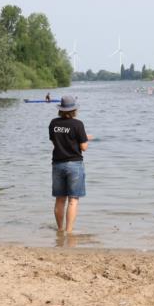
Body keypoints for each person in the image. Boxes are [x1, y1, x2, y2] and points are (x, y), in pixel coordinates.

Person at [48, 95, 89, 233]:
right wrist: (84, 138)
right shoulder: (78, 124)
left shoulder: (53, 123)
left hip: (57, 164)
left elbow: (56, 142)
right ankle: (69, 231)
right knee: (73, 200)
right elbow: (83, 147)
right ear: (74, 110)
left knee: (60, 199)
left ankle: (60, 230)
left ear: (61, 109)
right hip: (74, 164)